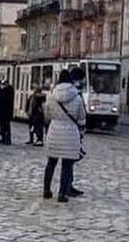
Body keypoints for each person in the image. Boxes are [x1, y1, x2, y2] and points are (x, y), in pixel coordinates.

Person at [43, 70, 86, 203]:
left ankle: (46, 190)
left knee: (51, 163)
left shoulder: (51, 96)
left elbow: (47, 115)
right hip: (71, 133)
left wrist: (50, 127)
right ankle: (63, 193)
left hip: (54, 130)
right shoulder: (77, 97)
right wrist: (81, 133)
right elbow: (82, 117)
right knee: (67, 165)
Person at [0, 80, 14, 145]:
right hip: (2, 112)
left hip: (6, 112)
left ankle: (7, 139)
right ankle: (3, 138)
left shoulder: (8, 90)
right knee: (2, 125)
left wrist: (2, 89)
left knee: (6, 126)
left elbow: (3, 99)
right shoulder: (7, 90)